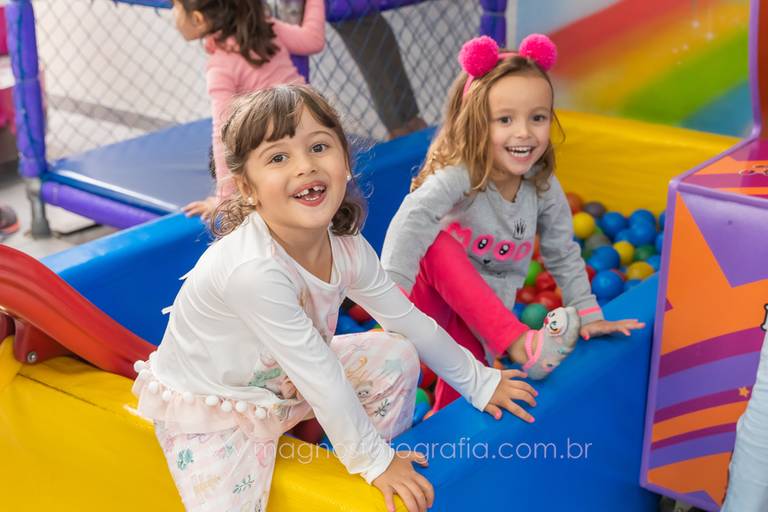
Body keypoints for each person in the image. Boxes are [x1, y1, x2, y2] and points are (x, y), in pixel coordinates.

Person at [133, 85, 538, 512]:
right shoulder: (254, 270)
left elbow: (406, 319)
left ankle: (367, 481)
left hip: (283, 382)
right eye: (278, 157)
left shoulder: (344, 245)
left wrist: (479, 382)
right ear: (248, 188)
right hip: (216, 408)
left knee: (396, 354)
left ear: (345, 162)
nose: (305, 166)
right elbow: (320, 375)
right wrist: (374, 460)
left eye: (319, 147)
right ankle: (367, 456)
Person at [381, 35, 644, 410]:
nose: (524, 132)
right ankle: (522, 345)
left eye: (537, 117)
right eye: (505, 119)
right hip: (421, 305)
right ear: (477, 124)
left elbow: (562, 251)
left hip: (481, 318)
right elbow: (413, 217)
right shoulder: (463, 174)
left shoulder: (542, 185)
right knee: (436, 243)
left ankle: (442, 438)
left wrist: (587, 314)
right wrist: (390, 298)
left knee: (465, 395)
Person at [170, 0, 325, 219]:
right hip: (315, 128)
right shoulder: (267, 27)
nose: (173, 14)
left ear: (198, 19)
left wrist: (224, 200)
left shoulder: (221, 64)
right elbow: (313, 40)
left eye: (175, 7)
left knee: (230, 144)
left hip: (281, 147)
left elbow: (222, 134)